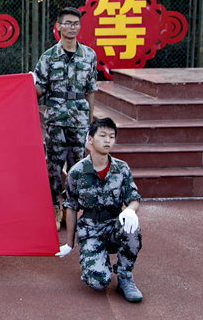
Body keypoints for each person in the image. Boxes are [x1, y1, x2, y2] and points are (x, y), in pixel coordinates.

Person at [55, 117, 143, 302]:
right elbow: (71, 206)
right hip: (90, 230)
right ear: (90, 139)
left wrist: (130, 210)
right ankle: (97, 261)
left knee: (132, 227)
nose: (107, 140)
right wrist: (69, 244)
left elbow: (134, 198)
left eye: (111, 136)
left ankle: (125, 276)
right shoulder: (77, 172)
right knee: (98, 282)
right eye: (102, 135)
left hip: (113, 225)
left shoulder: (122, 169)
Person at [32, 7, 98, 230]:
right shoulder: (49, 57)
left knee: (77, 167)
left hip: (79, 119)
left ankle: (71, 210)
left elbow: (91, 90)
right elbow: (39, 88)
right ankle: (54, 209)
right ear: (58, 26)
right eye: (68, 23)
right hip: (56, 120)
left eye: (76, 23)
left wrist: (90, 122)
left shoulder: (89, 55)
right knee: (53, 167)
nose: (72, 27)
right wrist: (27, 84)